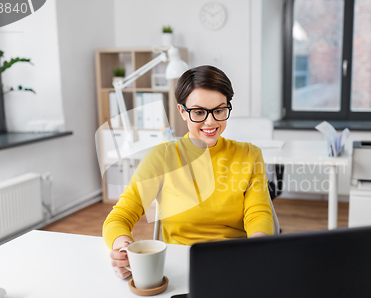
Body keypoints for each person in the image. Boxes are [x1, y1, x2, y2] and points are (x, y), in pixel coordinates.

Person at [104, 65, 273, 279]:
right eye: (199, 112)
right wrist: (123, 250)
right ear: (183, 112)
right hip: (179, 267)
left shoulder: (249, 154)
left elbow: (258, 213)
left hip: (235, 262)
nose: (210, 122)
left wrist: (257, 250)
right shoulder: (163, 157)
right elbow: (120, 217)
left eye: (219, 110)